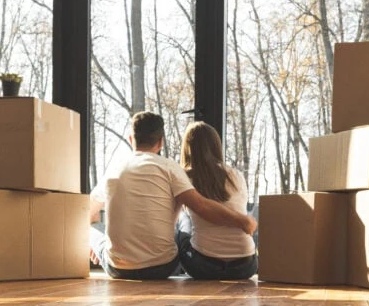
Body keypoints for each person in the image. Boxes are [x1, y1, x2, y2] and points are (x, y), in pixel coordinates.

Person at [89, 112, 257, 280]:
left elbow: (86, 212)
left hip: (120, 268)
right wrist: (243, 220)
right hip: (166, 267)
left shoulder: (114, 169)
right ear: (161, 141)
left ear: (131, 139)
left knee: (90, 229)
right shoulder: (172, 168)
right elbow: (201, 206)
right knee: (181, 220)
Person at [176, 121, 257, 280]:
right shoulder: (236, 175)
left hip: (205, 267)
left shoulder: (184, 178)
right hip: (246, 266)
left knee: (182, 222)